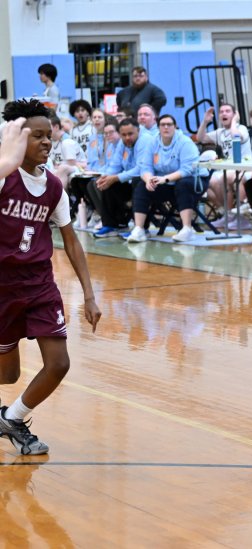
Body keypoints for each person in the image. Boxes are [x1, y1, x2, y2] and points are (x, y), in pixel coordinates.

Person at [0, 99, 101, 455]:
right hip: (3, 286)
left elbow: (71, 242)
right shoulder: (5, 178)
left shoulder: (55, 187)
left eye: (49, 136)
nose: (46, 142)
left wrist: (89, 294)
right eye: (37, 136)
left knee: (59, 363)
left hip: (39, 284)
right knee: (8, 374)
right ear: (17, 138)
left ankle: (11, 419)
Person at [126, 114, 202, 243]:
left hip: (193, 182)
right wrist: (149, 179)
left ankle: (187, 229)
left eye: (169, 124)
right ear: (158, 127)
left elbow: (187, 169)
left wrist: (165, 179)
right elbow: (145, 167)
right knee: (141, 184)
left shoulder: (185, 142)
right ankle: (139, 229)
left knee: (183, 183)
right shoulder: (153, 142)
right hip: (167, 183)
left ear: (175, 127)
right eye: (163, 125)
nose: (166, 127)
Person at [91, 118, 150, 238]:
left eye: (130, 134)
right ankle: (112, 225)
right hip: (129, 180)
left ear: (138, 131)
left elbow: (141, 169)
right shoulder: (122, 143)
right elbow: (115, 165)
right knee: (107, 182)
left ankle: (142, 228)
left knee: (137, 182)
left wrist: (116, 177)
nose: (127, 137)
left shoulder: (146, 141)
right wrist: (106, 177)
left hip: (147, 181)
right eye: (124, 135)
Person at [197, 103, 252, 211]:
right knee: (209, 182)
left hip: (244, 167)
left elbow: (235, 136)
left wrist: (234, 121)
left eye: (227, 111)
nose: (224, 114)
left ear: (234, 114)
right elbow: (200, 138)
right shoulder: (220, 132)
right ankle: (226, 212)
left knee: (226, 178)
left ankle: (236, 211)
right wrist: (205, 122)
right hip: (228, 167)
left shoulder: (241, 128)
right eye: (221, 112)